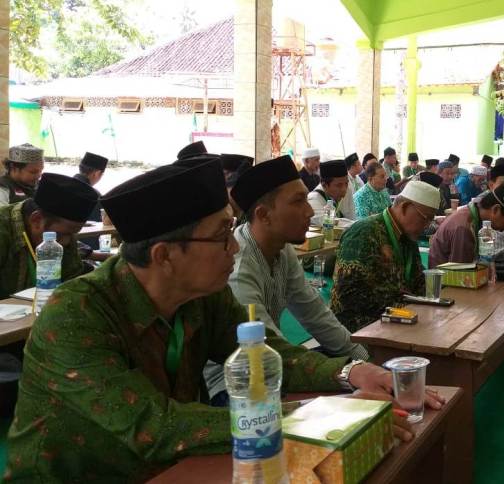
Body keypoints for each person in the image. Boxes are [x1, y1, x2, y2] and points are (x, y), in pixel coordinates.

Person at [5, 159, 444, 482]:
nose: (234, 249)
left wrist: (351, 371)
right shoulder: (75, 314)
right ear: (165, 257)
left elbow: (270, 356)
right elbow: (154, 427)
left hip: (168, 467)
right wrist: (318, 415)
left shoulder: (202, 298)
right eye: (220, 237)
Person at [211, 155, 369, 404]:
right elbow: (267, 354)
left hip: (276, 362)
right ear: (264, 215)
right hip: (235, 385)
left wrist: (364, 361)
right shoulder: (239, 269)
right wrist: (352, 373)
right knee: (344, 400)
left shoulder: (282, 248)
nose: (308, 211)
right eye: (298, 202)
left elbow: (314, 313)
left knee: (346, 363)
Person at [331, 181, 441, 332]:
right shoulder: (363, 233)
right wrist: (402, 306)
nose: (428, 225)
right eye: (426, 218)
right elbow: (348, 296)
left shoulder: (407, 237)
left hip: (399, 320)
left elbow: (417, 280)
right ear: (404, 207)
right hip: (361, 328)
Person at [0, 173, 99, 299]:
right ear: (36, 220)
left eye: (72, 234)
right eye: (64, 234)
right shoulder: (3, 228)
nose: (67, 242)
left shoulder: (63, 235)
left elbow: (73, 280)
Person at [429, 183, 504, 268]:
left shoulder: (480, 220)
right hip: (444, 287)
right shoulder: (463, 228)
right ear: (495, 210)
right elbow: (461, 275)